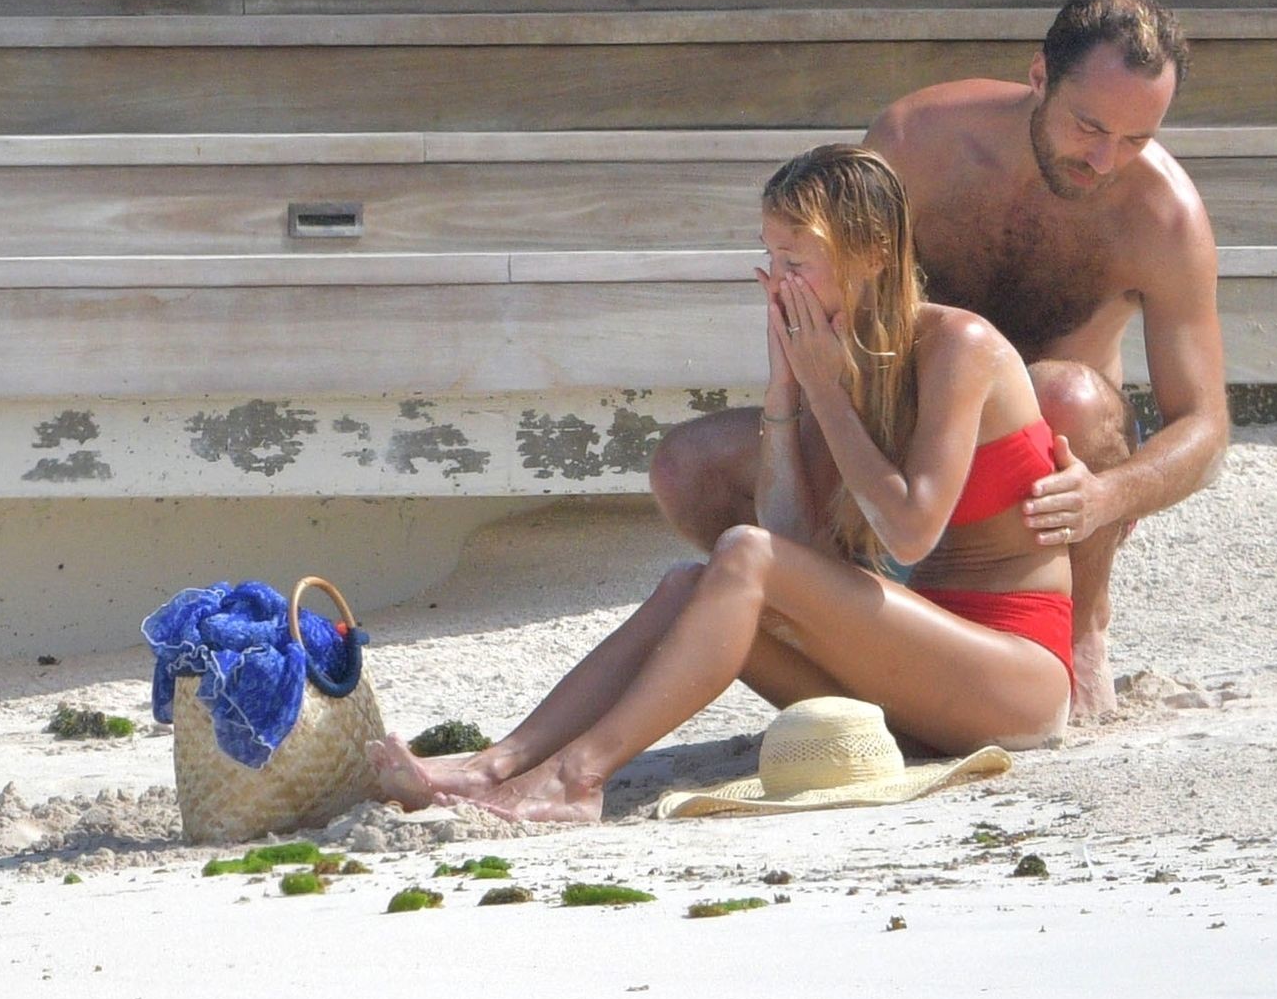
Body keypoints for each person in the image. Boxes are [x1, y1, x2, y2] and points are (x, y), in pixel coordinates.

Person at [367, 145, 1073, 822]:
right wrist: (785, 390)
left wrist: (826, 393)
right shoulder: (837, 352)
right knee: (689, 585)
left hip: (1013, 678)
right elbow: (792, 541)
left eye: (796, 261)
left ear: (874, 254)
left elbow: (911, 532)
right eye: (771, 259)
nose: (779, 282)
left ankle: (576, 778)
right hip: (919, 680)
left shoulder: (958, 346)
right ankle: (492, 766)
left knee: (743, 553)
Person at [652, 0, 1230, 722]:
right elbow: (829, 278)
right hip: (895, 421)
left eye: (1137, 138)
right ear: (1039, 76)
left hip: (1037, 473)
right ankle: (851, 631)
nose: (1106, 159)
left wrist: (1110, 496)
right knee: (686, 467)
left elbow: (1206, 427)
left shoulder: (1165, 218)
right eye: (1089, 127)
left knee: (1068, 397)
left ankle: (1081, 628)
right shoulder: (916, 141)